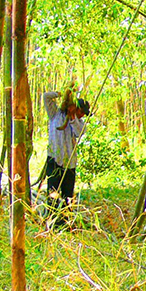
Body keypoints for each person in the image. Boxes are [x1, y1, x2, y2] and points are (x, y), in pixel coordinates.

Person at [43, 89, 90, 218]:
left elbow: (79, 133)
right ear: (75, 107)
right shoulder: (55, 114)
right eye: (81, 112)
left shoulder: (79, 124)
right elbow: (46, 97)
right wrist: (62, 94)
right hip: (54, 160)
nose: (82, 115)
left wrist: (73, 117)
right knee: (53, 194)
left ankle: (65, 221)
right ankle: (52, 220)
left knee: (67, 196)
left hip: (69, 164)